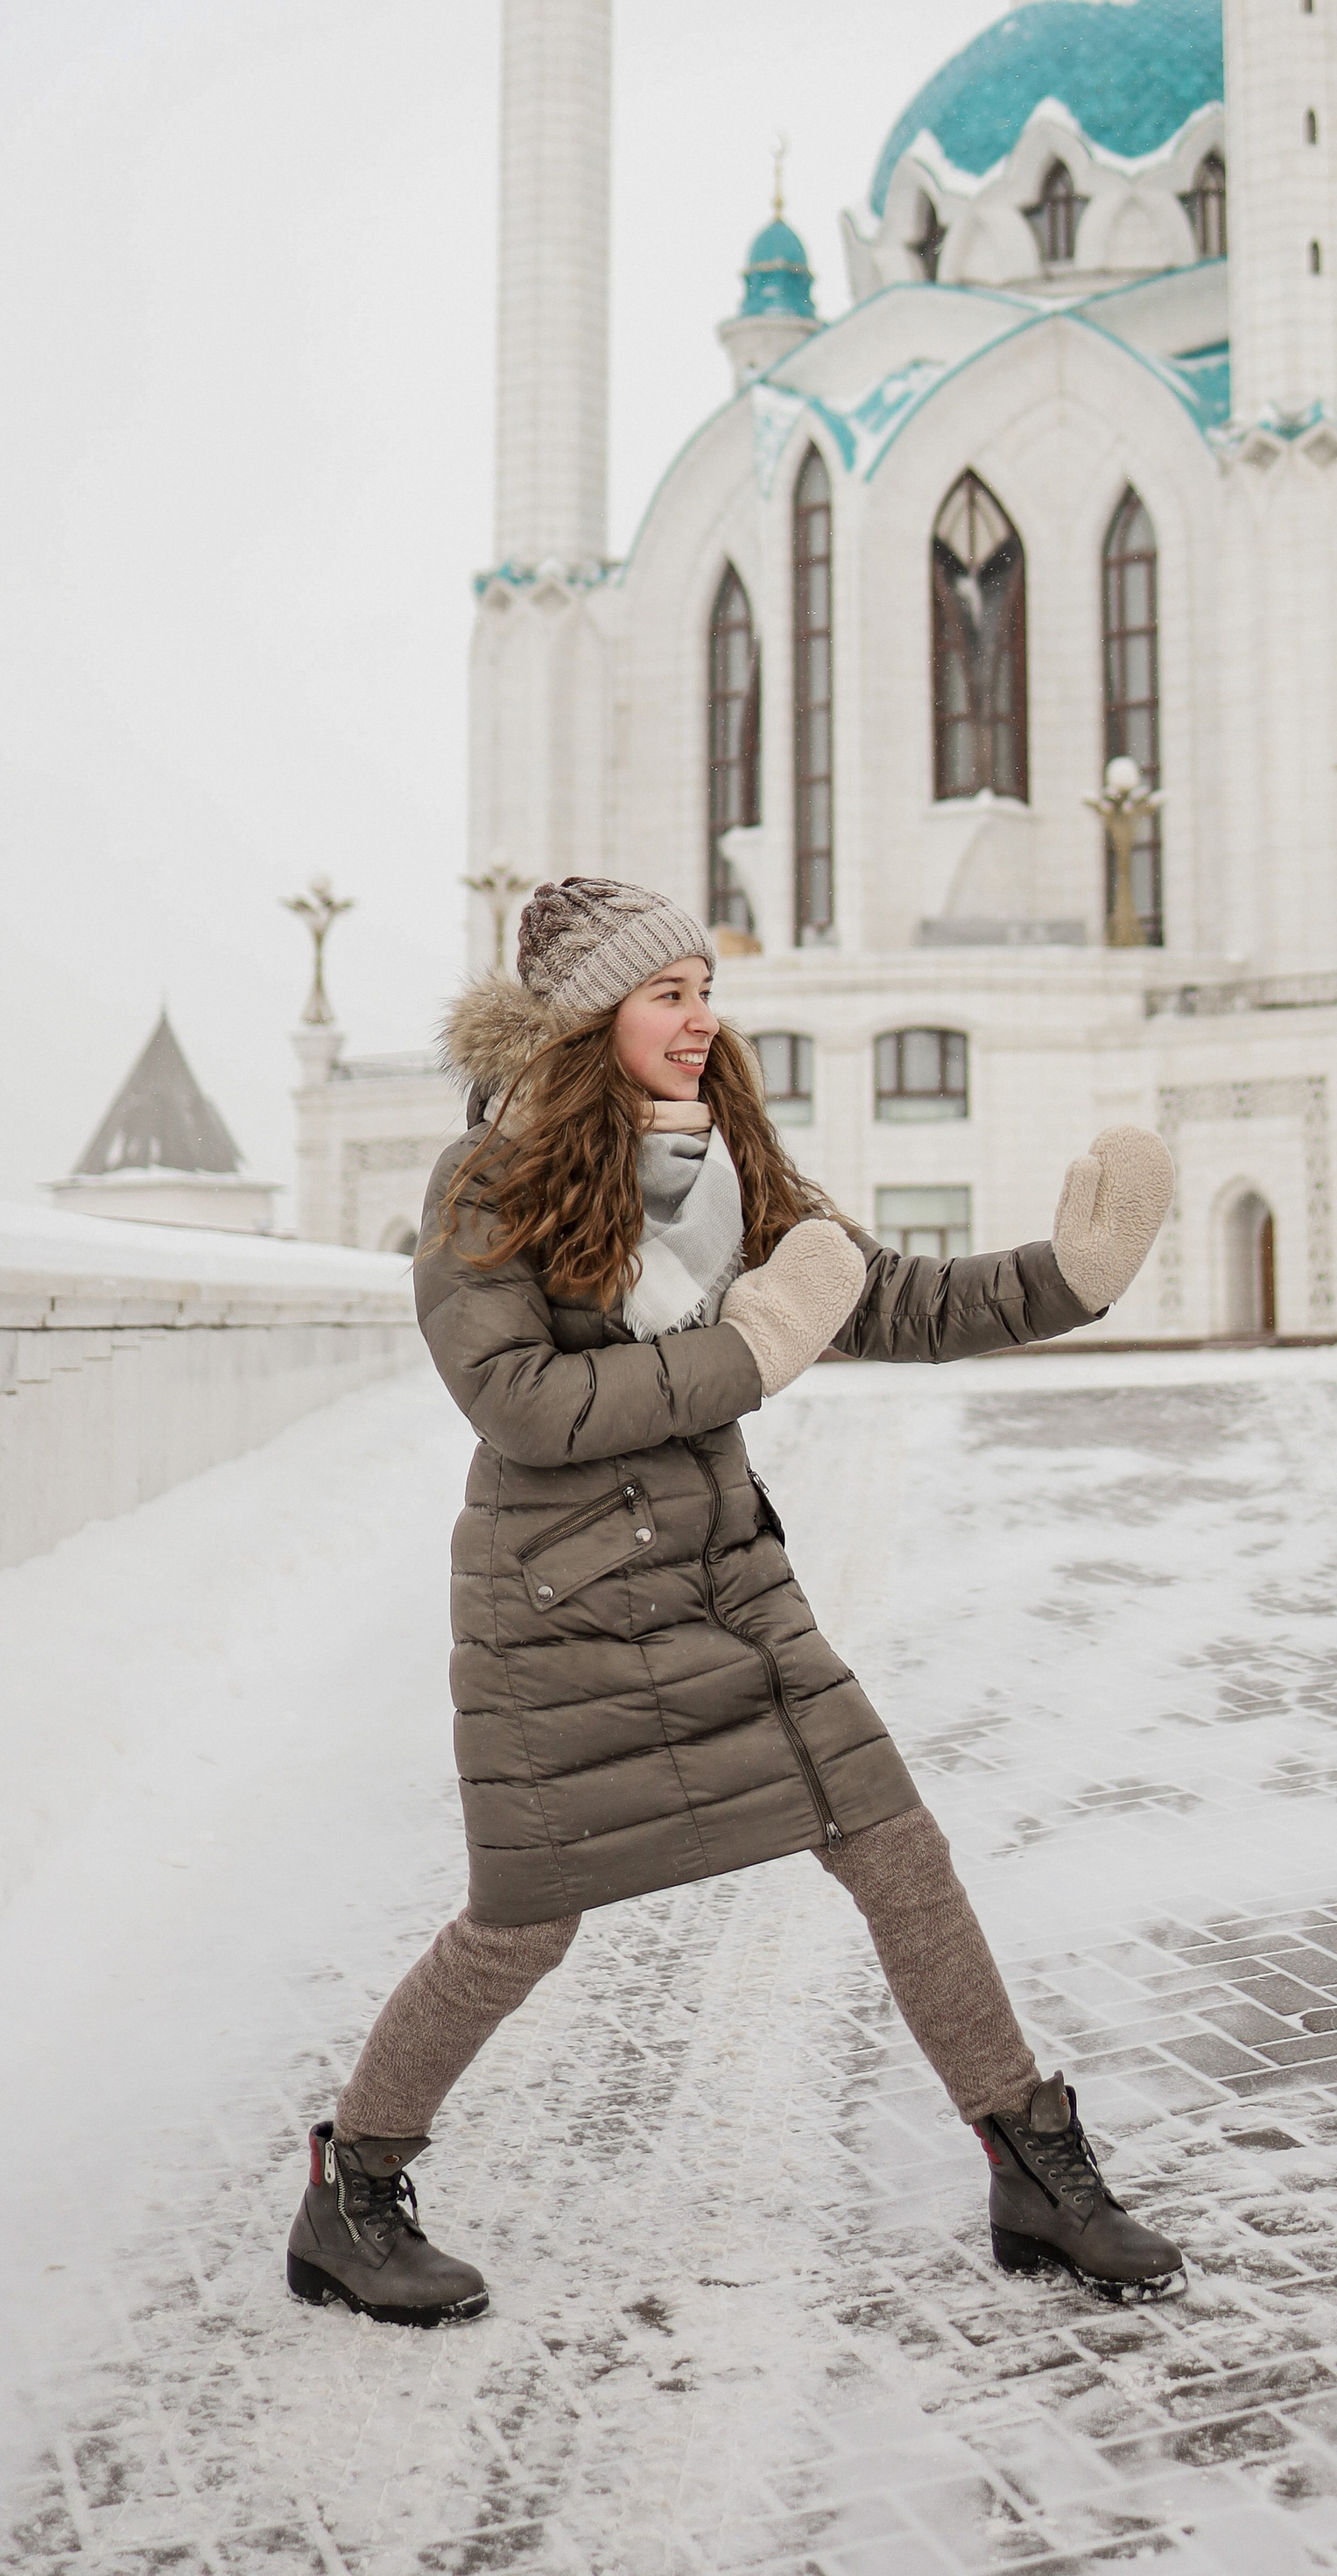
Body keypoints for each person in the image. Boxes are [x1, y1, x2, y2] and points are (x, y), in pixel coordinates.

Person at [286, 876, 1184, 2326]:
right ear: (591, 1019)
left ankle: (1036, 2164)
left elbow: (880, 1296)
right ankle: (351, 2194)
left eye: (708, 989)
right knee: (519, 1925)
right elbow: (521, 1407)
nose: (704, 1020)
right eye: (670, 994)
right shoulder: (488, 1184)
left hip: (727, 1588)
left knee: (896, 1851)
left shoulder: (727, 1165)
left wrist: (1067, 1280)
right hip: (558, 1611)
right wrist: (750, 1355)